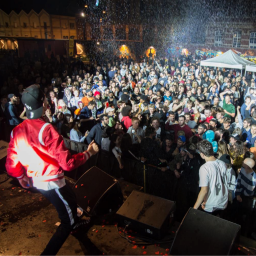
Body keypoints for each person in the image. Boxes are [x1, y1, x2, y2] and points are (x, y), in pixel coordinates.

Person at [5, 84, 99, 256]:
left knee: (71, 198)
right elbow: (67, 163)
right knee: (66, 223)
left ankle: (75, 222)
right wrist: (88, 153)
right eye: (46, 99)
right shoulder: (46, 130)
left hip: (40, 181)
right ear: (43, 104)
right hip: (51, 182)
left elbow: (11, 163)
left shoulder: (16, 131)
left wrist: (20, 176)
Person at [193, 140, 228, 215]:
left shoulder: (204, 168)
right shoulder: (222, 163)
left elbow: (204, 190)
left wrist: (194, 209)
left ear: (202, 154)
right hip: (223, 203)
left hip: (210, 206)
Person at [232, 158, 256, 237]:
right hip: (240, 195)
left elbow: (249, 191)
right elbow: (238, 181)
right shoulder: (242, 169)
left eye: (244, 162)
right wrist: (237, 194)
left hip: (246, 198)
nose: (242, 162)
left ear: (248, 166)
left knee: (244, 218)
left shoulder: (253, 177)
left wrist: (240, 195)